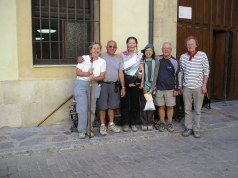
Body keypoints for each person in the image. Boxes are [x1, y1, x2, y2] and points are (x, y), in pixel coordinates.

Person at [74, 42, 106, 139]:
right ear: (90, 50)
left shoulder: (102, 62)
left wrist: (93, 78)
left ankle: (90, 129)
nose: (96, 50)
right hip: (81, 84)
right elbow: (78, 72)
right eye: (94, 48)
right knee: (82, 108)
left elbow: (102, 76)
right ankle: (82, 130)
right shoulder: (84, 58)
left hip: (94, 85)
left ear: (100, 50)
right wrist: (88, 73)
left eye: (98, 48)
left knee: (91, 108)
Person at [180, 36, 210, 138]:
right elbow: (181, 72)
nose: (190, 46)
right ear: (186, 46)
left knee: (197, 110)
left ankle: (196, 129)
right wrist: (180, 86)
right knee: (187, 109)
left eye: (192, 44)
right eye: (188, 44)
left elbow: (206, 70)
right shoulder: (183, 57)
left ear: (196, 45)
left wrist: (204, 84)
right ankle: (188, 128)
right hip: (186, 87)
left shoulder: (202, 55)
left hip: (198, 87)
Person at [151, 42, 181, 132]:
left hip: (170, 89)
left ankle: (170, 123)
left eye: (168, 48)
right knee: (160, 106)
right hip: (159, 88)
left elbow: (178, 76)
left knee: (170, 107)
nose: (166, 50)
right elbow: (147, 58)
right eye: (164, 48)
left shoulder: (175, 62)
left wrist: (177, 89)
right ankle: (162, 123)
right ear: (162, 49)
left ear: (171, 50)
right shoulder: (157, 59)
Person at [97, 40, 126, 136]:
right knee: (102, 106)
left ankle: (111, 124)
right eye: (110, 46)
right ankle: (102, 125)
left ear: (116, 48)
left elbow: (121, 73)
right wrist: (81, 59)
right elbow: (90, 57)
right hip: (103, 84)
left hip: (114, 85)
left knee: (112, 106)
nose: (112, 48)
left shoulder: (119, 58)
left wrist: (123, 87)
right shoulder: (101, 55)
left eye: (114, 47)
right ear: (106, 47)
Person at [120, 37, 144, 132]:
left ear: (136, 45)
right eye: (129, 43)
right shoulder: (122, 54)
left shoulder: (139, 55)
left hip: (135, 81)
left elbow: (141, 69)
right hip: (125, 81)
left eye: (133, 43)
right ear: (127, 44)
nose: (131, 45)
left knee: (134, 103)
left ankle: (134, 123)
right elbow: (120, 69)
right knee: (125, 103)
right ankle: (125, 123)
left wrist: (141, 82)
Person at [139, 44, 156, 131]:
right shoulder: (141, 62)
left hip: (152, 87)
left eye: (150, 50)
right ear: (144, 52)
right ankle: (143, 123)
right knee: (143, 106)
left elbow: (156, 76)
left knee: (150, 106)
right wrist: (144, 88)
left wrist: (152, 89)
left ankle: (150, 123)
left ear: (153, 52)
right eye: (147, 50)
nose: (148, 52)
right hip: (144, 87)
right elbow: (140, 75)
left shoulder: (156, 62)